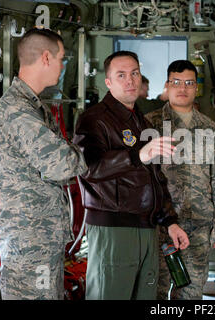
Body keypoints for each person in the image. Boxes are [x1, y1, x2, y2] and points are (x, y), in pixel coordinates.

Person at [73, 51, 190, 300]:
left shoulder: (141, 121)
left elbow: (156, 177)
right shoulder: (94, 119)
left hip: (146, 228)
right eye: (121, 75)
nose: (130, 80)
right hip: (114, 229)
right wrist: (137, 155)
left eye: (134, 73)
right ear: (108, 82)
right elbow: (88, 168)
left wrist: (169, 221)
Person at [0, 28, 88, 300]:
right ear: (46, 57)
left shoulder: (33, 106)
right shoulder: (18, 110)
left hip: (40, 237)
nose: (62, 66)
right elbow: (63, 165)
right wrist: (83, 152)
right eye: (61, 59)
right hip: (30, 241)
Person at [146, 60, 215, 300]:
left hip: (198, 222)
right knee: (156, 290)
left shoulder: (210, 128)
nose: (182, 88)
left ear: (196, 88)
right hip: (160, 224)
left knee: (191, 291)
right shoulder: (149, 124)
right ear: (166, 85)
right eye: (175, 82)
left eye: (188, 83)